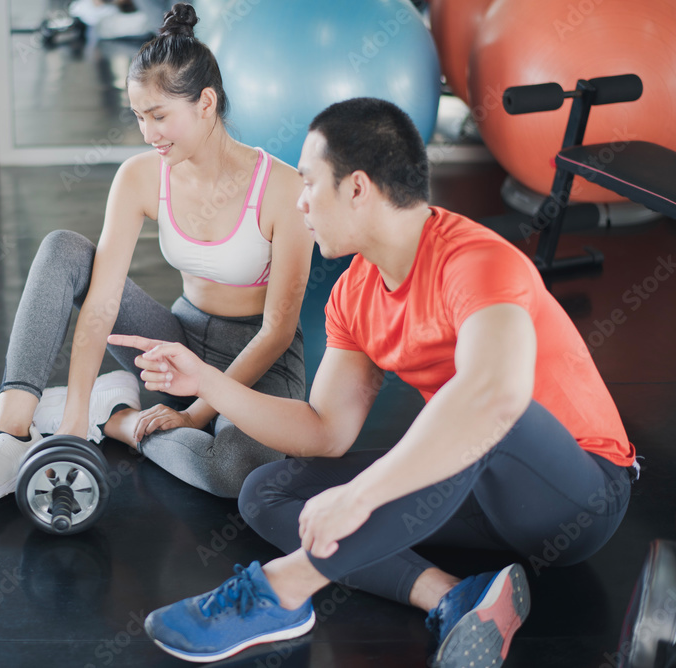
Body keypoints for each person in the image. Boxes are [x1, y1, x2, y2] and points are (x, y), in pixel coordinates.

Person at [109, 98, 637, 666]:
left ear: (357, 187)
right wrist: (206, 382)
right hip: (475, 492)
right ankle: (456, 595)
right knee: (267, 491)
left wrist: (361, 495)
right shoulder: (354, 294)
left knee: (488, 406)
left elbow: (496, 395)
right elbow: (323, 431)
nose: (300, 201)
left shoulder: (478, 261)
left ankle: (282, 590)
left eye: (309, 183)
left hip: (578, 496)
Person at [0, 3, 312, 511]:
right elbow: (103, 299)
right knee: (63, 248)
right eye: (138, 116)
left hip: (261, 363)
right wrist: (70, 429)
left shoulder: (283, 188)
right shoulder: (141, 176)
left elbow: (278, 331)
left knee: (233, 471)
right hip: (178, 345)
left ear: (205, 102)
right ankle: (9, 433)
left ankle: (117, 418)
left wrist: (197, 412)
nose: (148, 133)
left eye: (159, 116)